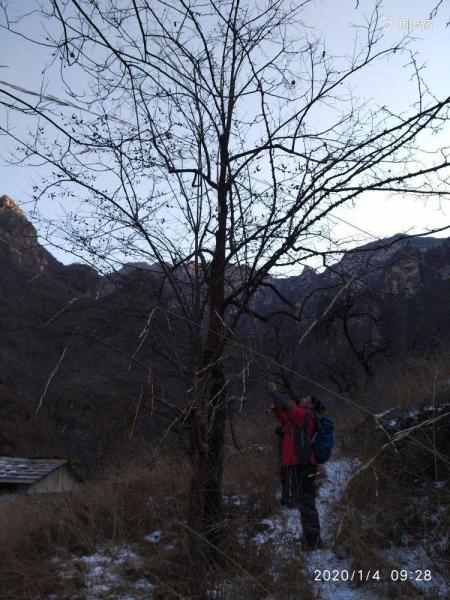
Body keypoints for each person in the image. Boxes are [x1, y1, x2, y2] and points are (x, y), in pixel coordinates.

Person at [267, 381, 322, 551]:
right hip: (299, 466)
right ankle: (309, 537)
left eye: (306, 398)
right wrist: (276, 407)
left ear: (311, 405)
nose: (303, 399)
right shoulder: (298, 417)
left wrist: (275, 393)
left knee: (307, 502)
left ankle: (313, 541)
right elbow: (285, 419)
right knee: (303, 502)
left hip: (304, 465)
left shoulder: (306, 414)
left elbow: (289, 410)